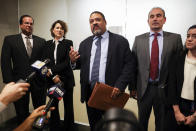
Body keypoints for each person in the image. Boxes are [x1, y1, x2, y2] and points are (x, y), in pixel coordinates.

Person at [69, 11, 135, 131]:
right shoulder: (85, 44)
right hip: (90, 93)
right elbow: (80, 64)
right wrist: (73, 61)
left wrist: (120, 86)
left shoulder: (120, 41)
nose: (94, 23)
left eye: (98, 20)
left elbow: (129, 65)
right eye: (91, 21)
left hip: (111, 92)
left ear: (105, 22)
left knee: (113, 127)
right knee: (95, 126)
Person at [130, 7, 183, 131]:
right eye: (152, 16)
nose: (155, 19)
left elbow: (179, 68)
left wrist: (177, 90)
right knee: (141, 122)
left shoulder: (175, 39)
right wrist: (132, 87)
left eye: (158, 16)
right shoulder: (138, 39)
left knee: (162, 123)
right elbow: (133, 65)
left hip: (165, 89)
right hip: (144, 89)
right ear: (148, 20)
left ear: (164, 20)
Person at [1, 15, 47, 124]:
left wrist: (44, 79)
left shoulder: (41, 41)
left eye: (31, 23)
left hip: (38, 82)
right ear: (20, 25)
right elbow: (5, 62)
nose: (29, 25)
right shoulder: (10, 40)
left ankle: (39, 127)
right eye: (26, 23)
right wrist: (10, 82)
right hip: (19, 82)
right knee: (21, 112)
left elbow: (44, 62)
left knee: (40, 111)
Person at [42, 20, 75, 131]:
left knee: (68, 107)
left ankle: (68, 128)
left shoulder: (68, 42)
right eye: (57, 27)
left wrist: (52, 71)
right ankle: (54, 128)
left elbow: (67, 62)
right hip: (51, 80)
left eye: (62, 28)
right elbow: (45, 62)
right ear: (53, 30)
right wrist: (52, 76)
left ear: (64, 31)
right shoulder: (46, 44)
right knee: (53, 107)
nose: (59, 30)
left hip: (66, 80)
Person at [168, 25, 196, 131]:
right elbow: (172, 85)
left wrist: (194, 117)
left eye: (194, 36)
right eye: (188, 36)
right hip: (179, 106)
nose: (189, 39)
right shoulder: (177, 58)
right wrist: (177, 112)